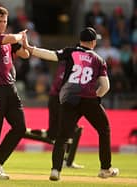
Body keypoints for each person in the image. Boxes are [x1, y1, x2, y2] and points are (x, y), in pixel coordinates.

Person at [23, 27, 119, 181]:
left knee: (62, 136)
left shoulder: (71, 52)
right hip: (88, 98)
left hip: (69, 99)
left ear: (80, 40)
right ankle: (105, 168)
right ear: (93, 42)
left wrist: (30, 48)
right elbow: (105, 86)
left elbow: (51, 55)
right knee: (104, 129)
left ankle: (55, 170)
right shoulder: (98, 59)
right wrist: (95, 97)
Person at [0, 6, 30, 179]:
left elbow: (24, 54)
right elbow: (9, 38)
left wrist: (23, 42)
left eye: (5, 21)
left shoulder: (7, 41)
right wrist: (18, 36)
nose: (2, 24)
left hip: (10, 88)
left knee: (20, 127)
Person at [24, 60, 84, 169]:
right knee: (67, 131)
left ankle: (67, 160)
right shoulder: (67, 66)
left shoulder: (71, 66)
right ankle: (23, 132)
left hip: (60, 99)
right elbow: (60, 85)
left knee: (66, 131)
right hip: (58, 100)